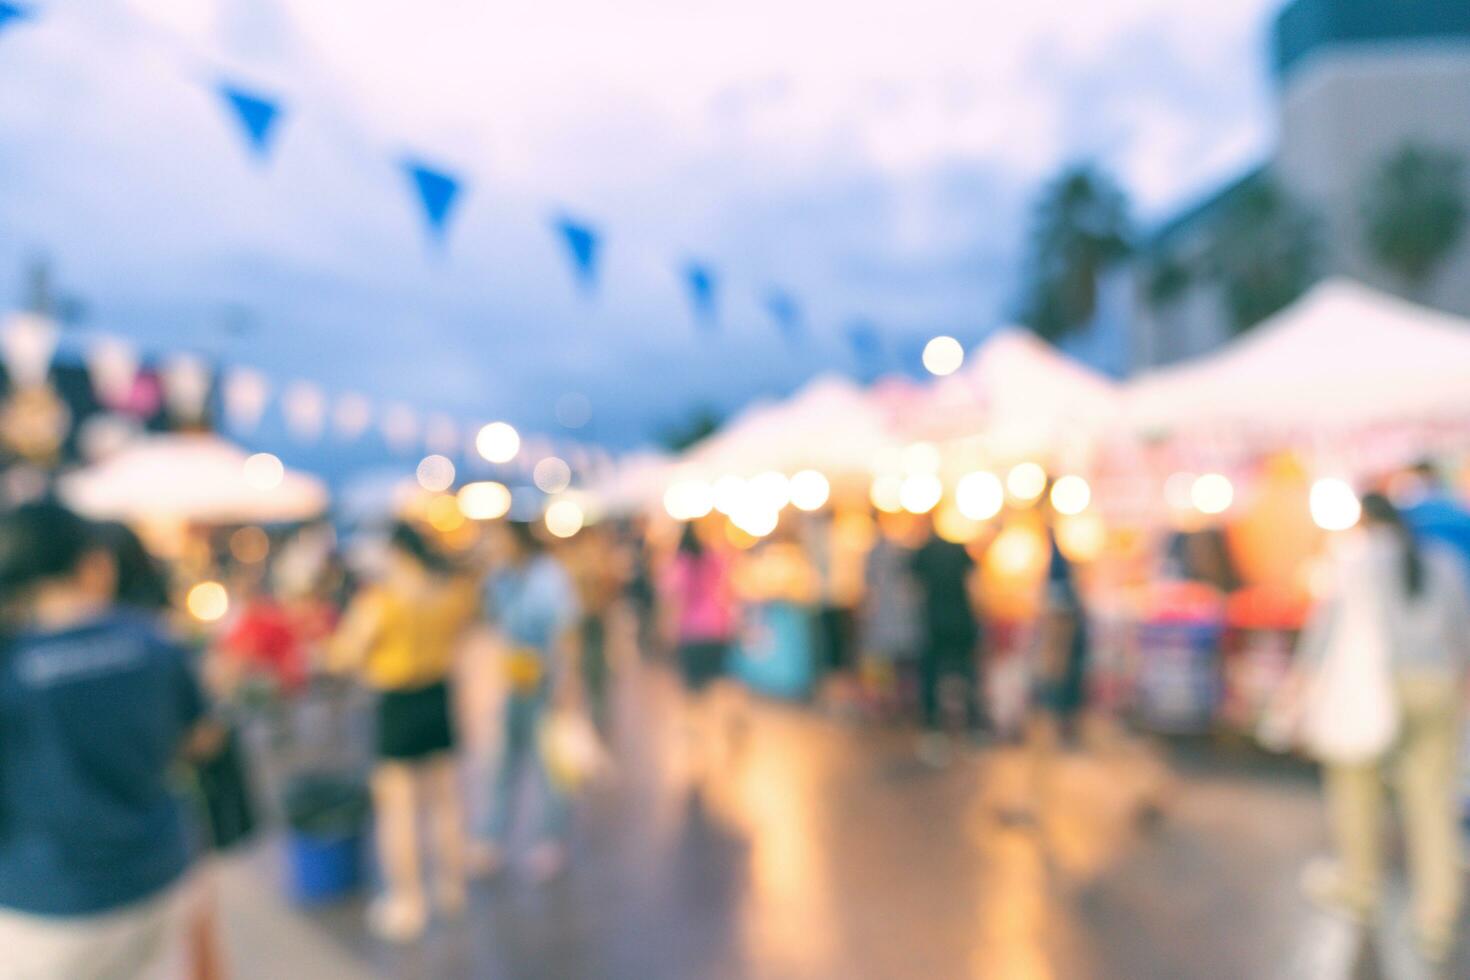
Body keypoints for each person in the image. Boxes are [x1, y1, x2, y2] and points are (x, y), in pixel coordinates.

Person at [0, 502, 215, 979]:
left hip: (44, 903)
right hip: (158, 876)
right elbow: (202, 741)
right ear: (92, 564)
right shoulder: (155, 640)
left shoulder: (11, 658)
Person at [1297, 493, 1470, 966]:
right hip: (1436, 688)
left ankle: (1360, 885)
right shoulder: (1444, 563)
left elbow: (1325, 633)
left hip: (1373, 691)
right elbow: (1463, 635)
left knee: (1355, 788)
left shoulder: (1356, 562)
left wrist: (1302, 685)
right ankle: (1436, 914)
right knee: (1431, 802)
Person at [330, 523, 476, 942]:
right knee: (446, 799)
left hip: (398, 702)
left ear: (395, 551)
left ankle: (409, 902)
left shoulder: (382, 599)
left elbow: (347, 653)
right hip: (437, 695)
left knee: (399, 807)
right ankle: (452, 887)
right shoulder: (446, 591)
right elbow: (462, 633)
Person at [475, 520, 581, 883]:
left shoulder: (549, 576)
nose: (492, 546)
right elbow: (493, 622)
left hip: (545, 681)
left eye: (497, 539)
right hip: (514, 681)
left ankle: (551, 840)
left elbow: (566, 631)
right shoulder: (500, 577)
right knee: (503, 762)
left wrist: (565, 682)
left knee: (549, 765)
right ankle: (491, 840)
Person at [661, 523, 741, 776]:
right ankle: (725, 724)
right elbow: (729, 586)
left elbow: (673, 598)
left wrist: (669, 629)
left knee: (692, 689)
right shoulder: (714, 559)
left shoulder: (679, 564)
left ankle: (698, 738)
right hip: (717, 628)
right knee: (718, 680)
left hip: (692, 632)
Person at [909, 516, 983, 764]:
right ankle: (972, 727)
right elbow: (975, 578)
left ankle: (934, 729)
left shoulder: (923, 552)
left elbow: (912, 585)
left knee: (932, 676)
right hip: (961, 619)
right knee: (965, 672)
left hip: (934, 622)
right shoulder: (957, 548)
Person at [858, 511, 922, 719]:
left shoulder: (881, 551)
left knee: (888, 661)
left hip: (889, 617)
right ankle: (893, 702)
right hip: (896, 616)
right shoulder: (901, 550)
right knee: (896, 661)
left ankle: (886, 703)